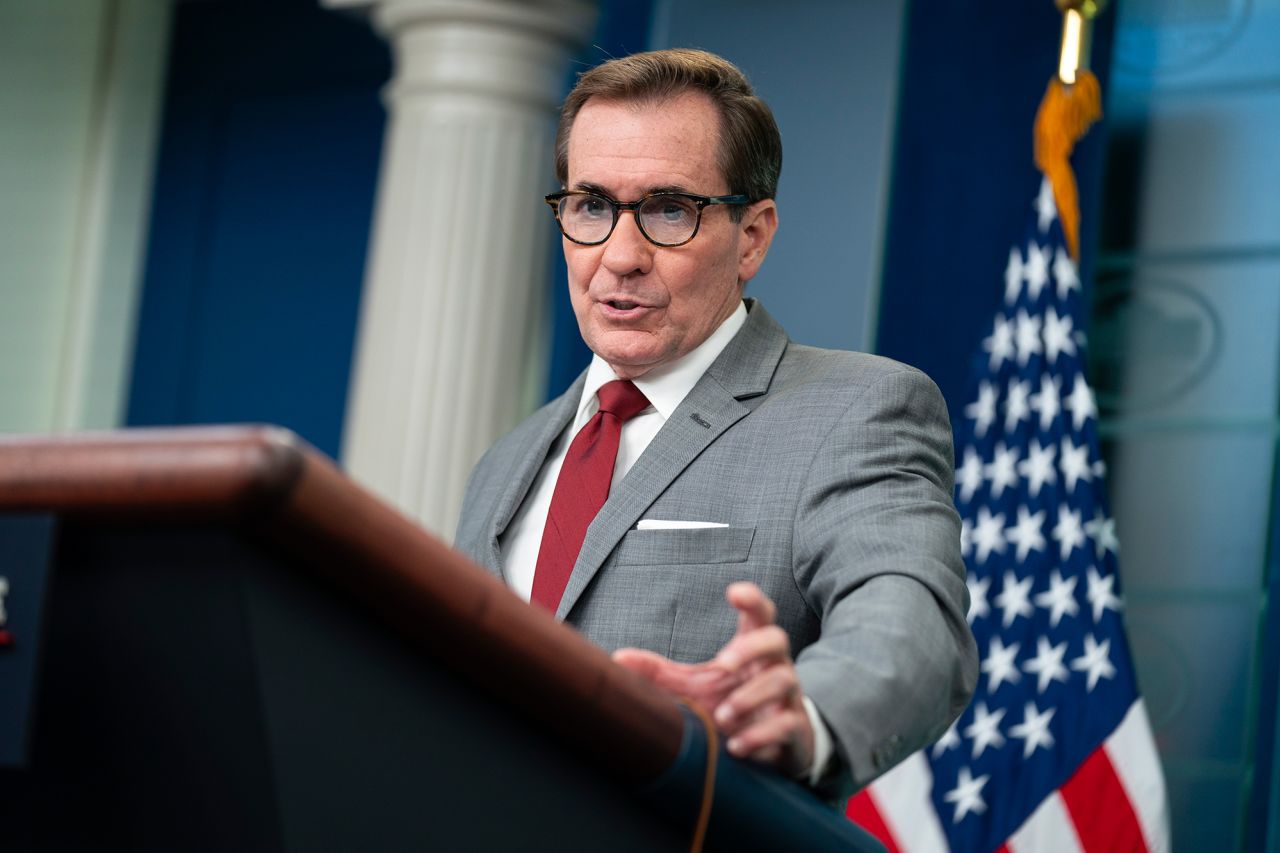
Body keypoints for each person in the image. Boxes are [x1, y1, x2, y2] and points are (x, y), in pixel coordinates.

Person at [455, 48, 976, 796]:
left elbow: (911, 619)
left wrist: (805, 709)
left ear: (753, 236)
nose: (621, 255)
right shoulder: (503, 464)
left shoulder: (858, 409)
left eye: (670, 209)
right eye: (592, 206)